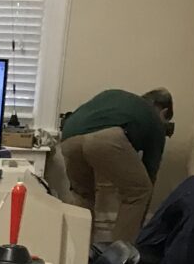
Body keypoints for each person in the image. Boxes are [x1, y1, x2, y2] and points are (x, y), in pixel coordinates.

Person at [58, 87, 174, 243]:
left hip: (69, 136)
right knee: (139, 192)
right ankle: (121, 253)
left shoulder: (117, 98)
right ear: (164, 112)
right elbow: (150, 173)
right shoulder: (155, 120)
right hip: (105, 139)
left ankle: (77, 251)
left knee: (83, 195)